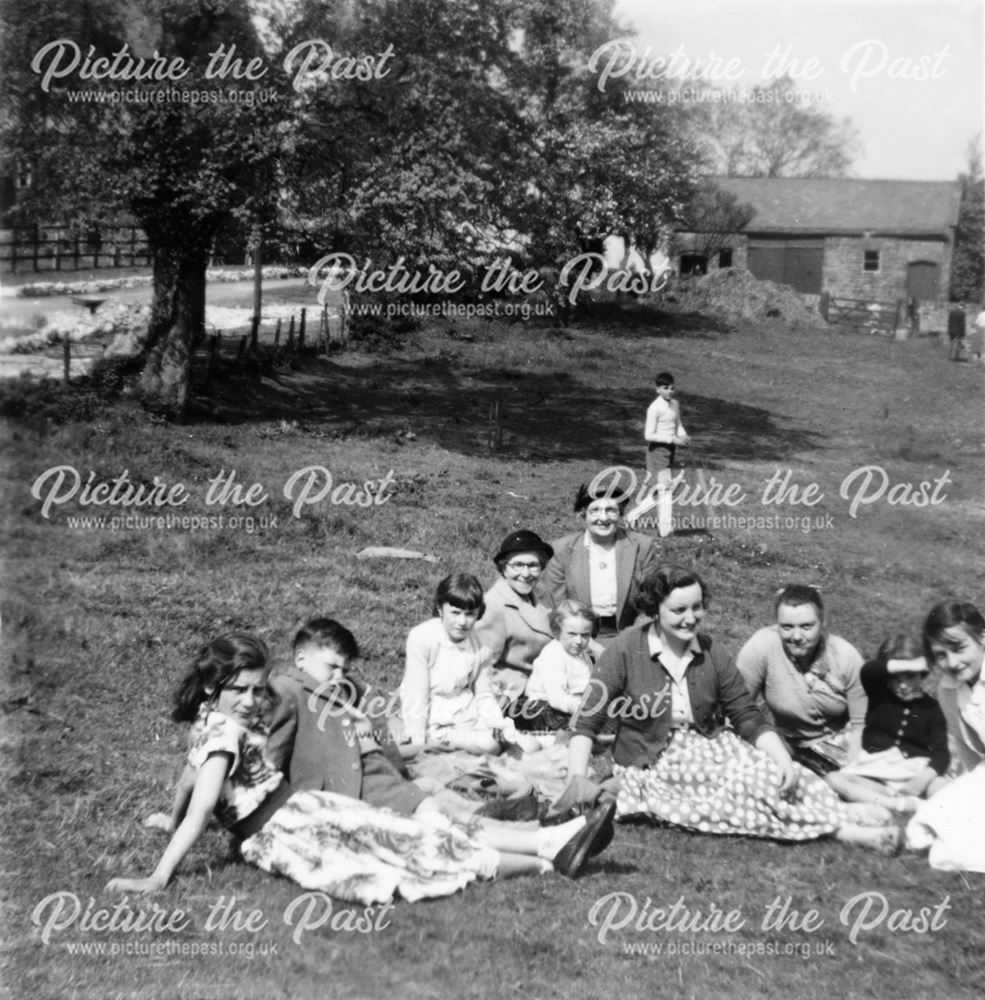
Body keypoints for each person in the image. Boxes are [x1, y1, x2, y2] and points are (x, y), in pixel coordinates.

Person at [105, 633, 618, 900]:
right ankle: (549, 853)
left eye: (257, 690)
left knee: (412, 844)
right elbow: (196, 791)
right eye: (237, 690)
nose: (249, 700)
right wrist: (165, 846)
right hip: (288, 826)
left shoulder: (214, 727)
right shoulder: (217, 730)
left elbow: (195, 791)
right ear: (211, 685)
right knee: (401, 859)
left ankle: (548, 847)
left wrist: (163, 852)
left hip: (299, 816)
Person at [566, 565, 897, 851]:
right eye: (678, 610)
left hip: (713, 745)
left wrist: (781, 757)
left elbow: (746, 715)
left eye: (697, 608)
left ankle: (838, 811)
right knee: (745, 789)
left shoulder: (712, 652)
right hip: (654, 759)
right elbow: (586, 723)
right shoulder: (623, 650)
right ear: (655, 610)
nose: (690, 618)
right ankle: (846, 830)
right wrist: (577, 780)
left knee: (774, 772)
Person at [736, 585, 866, 776]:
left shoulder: (846, 657)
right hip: (790, 745)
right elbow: (738, 708)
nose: (796, 637)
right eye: (787, 627)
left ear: (822, 623)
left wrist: (853, 772)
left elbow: (861, 725)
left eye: (807, 626)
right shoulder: (762, 647)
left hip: (844, 745)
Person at [827, 635, 950, 812]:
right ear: (886, 677)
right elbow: (869, 671)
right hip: (874, 771)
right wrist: (910, 665)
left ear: (922, 674)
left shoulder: (931, 708)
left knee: (941, 785)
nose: (903, 685)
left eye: (910, 676)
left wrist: (921, 780)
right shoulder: (879, 695)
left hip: (912, 773)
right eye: (896, 678)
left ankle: (889, 802)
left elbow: (941, 754)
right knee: (834, 779)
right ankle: (897, 805)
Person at [906, 602, 985, 871]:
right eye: (941, 655)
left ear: (982, 637)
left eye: (959, 648)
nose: (952, 662)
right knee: (935, 829)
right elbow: (968, 752)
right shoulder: (949, 690)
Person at [400, 574, 512, 754]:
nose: (462, 622)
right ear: (440, 608)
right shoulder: (422, 637)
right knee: (490, 746)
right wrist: (418, 740)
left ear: (478, 614)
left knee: (507, 742)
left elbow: (483, 694)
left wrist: (500, 724)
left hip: (464, 713)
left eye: (470, 614)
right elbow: (417, 692)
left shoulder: (481, 647)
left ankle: (456, 743)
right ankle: (435, 741)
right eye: (455, 613)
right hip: (430, 713)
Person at [540, 485, 659, 643]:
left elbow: (650, 602)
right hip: (578, 637)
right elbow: (556, 606)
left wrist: (631, 639)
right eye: (594, 510)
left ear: (621, 513)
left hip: (629, 635)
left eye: (611, 510)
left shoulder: (641, 546)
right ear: (584, 514)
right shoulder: (562, 549)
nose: (603, 518)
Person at [474, 530, 555, 707]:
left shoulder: (542, 593)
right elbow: (482, 667)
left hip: (546, 685)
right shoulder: (493, 605)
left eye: (533, 565)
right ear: (504, 569)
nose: (525, 574)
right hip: (511, 695)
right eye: (517, 565)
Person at [514, 600, 602, 738]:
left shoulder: (583, 656)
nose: (578, 641)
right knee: (571, 727)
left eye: (585, 635)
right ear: (557, 631)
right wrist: (585, 710)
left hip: (572, 703)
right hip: (545, 705)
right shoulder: (553, 654)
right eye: (572, 634)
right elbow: (557, 700)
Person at [643, 371, 689, 537]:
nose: (670, 391)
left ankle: (632, 516)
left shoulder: (674, 404)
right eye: (665, 388)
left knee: (663, 489)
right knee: (666, 489)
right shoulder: (655, 408)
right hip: (657, 450)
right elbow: (648, 435)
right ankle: (665, 530)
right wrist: (672, 439)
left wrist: (683, 435)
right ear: (657, 389)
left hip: (670, 450)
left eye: (672, 388)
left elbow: (678, 425)